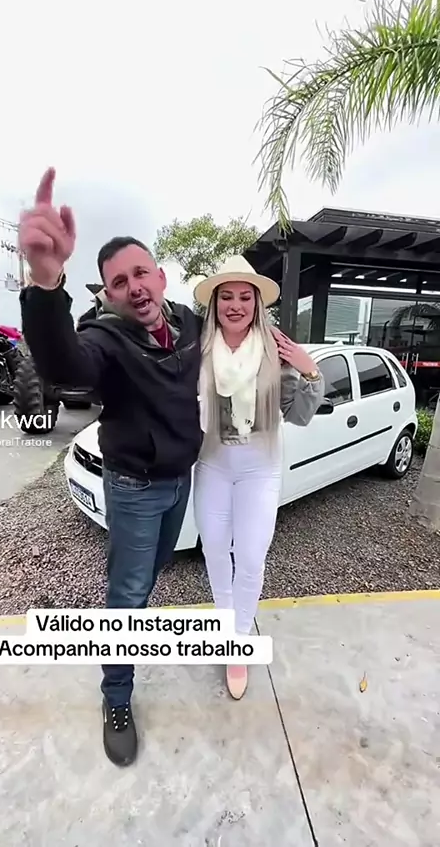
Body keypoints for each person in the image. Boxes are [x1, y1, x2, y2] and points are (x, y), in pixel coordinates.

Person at [18, 167, 203, 768]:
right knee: (126, 597)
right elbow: (66, 367)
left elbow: (237, 348)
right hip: (134, 487)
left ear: (161, 276)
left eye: (141, 273)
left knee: (147, 580)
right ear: (108, 295)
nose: (134, 288)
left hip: (180, 481)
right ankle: (116, 697)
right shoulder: (104, 338)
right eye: (119, 282)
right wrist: (46, 284)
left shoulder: (190, 324)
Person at [191, 256, 325, 699]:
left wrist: (308, 369)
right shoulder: (198, 350)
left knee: (249, 557)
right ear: (215, 303)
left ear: (257, 304)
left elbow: (298, 414)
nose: (235, 305)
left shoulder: (274, 352)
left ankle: (239, 642)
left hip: (259, 469)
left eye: (245, 297)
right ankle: (228, 629)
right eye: (226, 296)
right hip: (212, 465)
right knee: (214, 551)